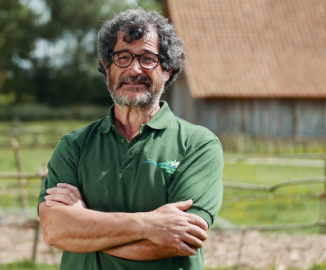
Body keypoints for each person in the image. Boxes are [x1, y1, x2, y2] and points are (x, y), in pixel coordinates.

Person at [38, 7, 223, 270]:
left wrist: (83, 226)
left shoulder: (198, 145)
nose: (134, 69)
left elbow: (181, 240)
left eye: (148, 58)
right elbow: (55, 230)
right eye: (122, 57)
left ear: (168, 69)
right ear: (106, 67)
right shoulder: (74, 146)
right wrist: (149, 225)